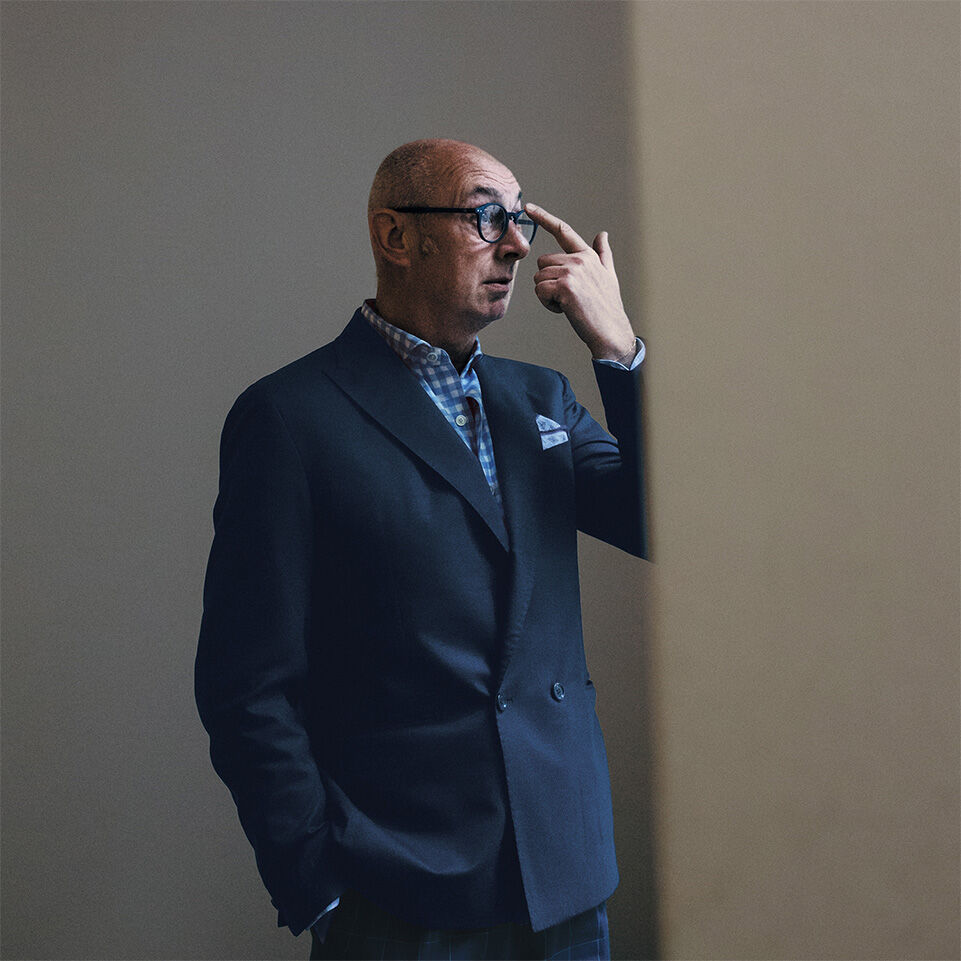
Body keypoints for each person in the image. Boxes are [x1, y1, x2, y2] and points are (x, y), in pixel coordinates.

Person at [195, 138, 649, 961]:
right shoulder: (290, 416)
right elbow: (246, 683)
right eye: (485, 216)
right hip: (397, 891)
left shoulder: (540, 398)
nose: (516, 245)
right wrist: (317, 883)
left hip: (565, 878)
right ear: (396, 235)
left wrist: (619, 352)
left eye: (517, 220)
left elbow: (668, 524)